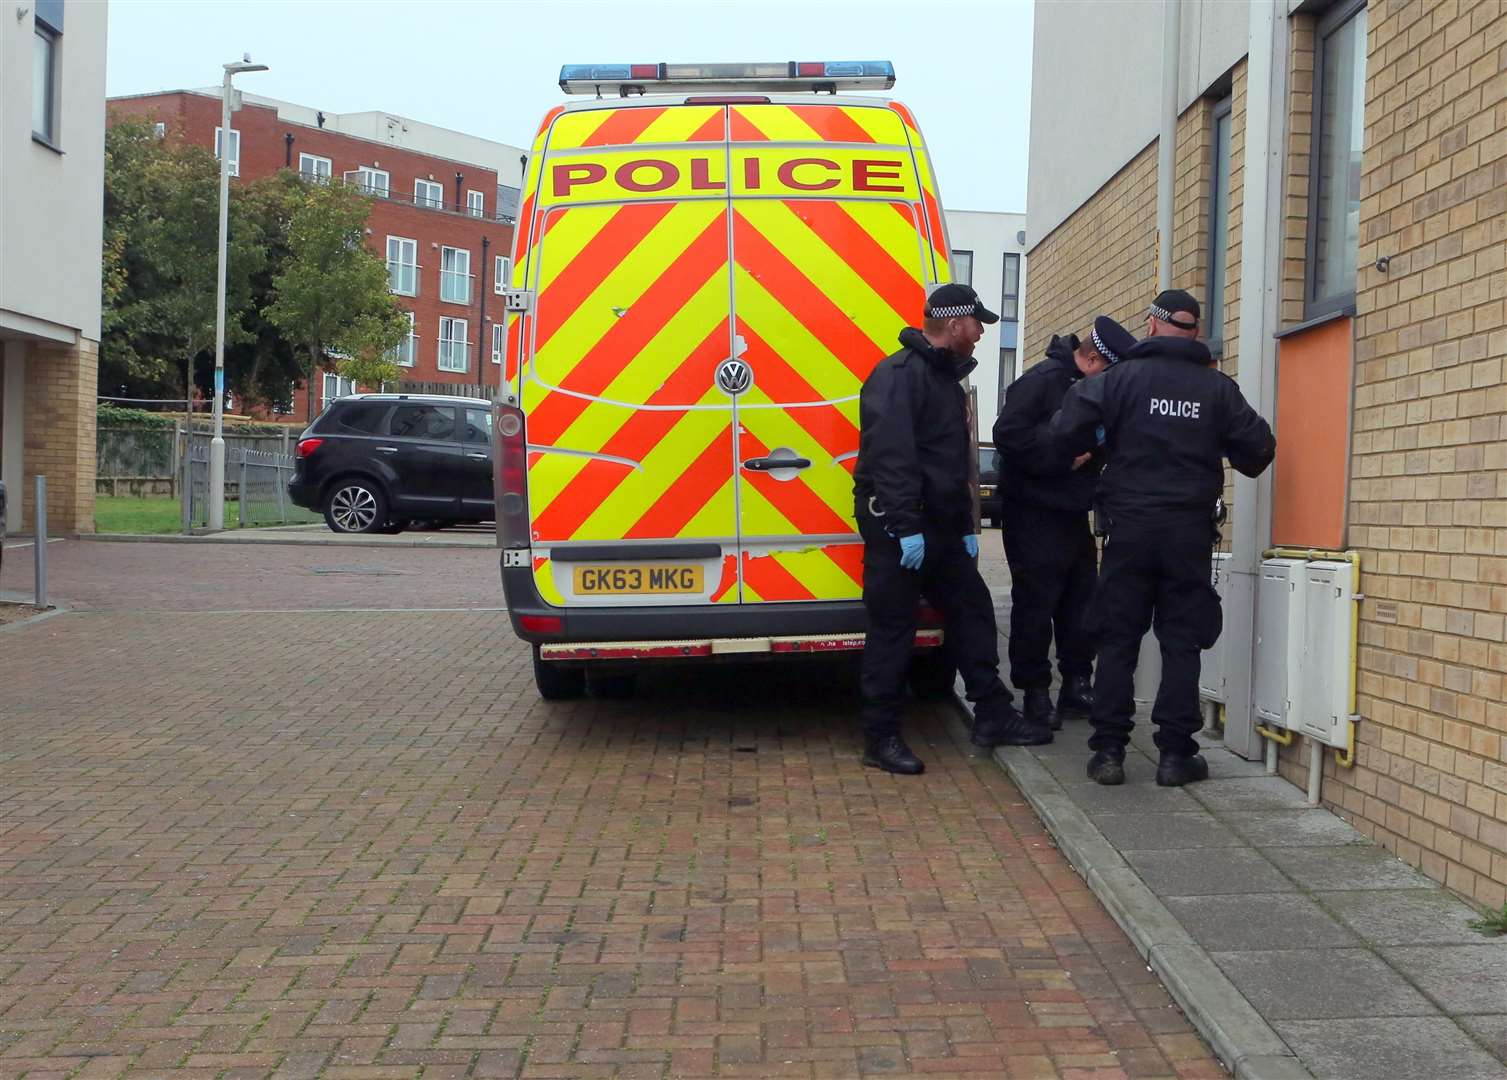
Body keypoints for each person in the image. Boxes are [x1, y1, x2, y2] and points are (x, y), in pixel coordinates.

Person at [1047, 289, 1275, 787]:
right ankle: (1175, 755)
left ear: (1151, 327)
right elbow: (1258, 452)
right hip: (1187, 533)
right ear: (1195, 334)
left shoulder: (1118, 381)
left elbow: (1063, 431)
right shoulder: (1218, 390)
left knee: (1118, 638)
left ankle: (1108, 752)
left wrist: (1097, 447)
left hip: (1128, 529)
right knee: (1181, 640)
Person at [853, 283, 1041, 775]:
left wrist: (962, 524)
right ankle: (881, 737)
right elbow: (891, 457)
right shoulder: (898, 376)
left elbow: (951, 465)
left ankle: (993, 714)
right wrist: (903, 525)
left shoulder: (942, 379)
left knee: (973, 612)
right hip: (899, 527)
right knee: (894, 629)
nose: (980, 333)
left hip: (936, 525)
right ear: (954, 324)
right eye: (976, 323)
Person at [994, 316, 1135, 733]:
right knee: (1036, 606)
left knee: (1080, 602)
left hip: (1071, 511)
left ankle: (1076, 682)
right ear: (1092, 358)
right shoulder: (1042, 381)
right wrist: (1060, 460)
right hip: (1034, 512)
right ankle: (1036, 693)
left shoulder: (1091, 386)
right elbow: (1009, 436)